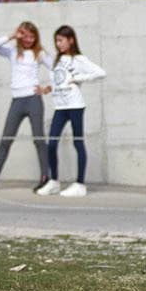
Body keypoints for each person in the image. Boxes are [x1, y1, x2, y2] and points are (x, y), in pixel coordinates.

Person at [0, 21, 53, 192]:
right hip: (17, 100)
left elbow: (57, 69)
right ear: (19, 35)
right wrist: (11, 36)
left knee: (39, 139)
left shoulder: (39, 53)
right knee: (6, 140)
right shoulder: (12, 51)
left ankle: (45, 177)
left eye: (32, 36)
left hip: (33, 99)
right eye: (25, 35)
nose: (28, 39)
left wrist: (47, 88)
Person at [45, 25, 106, 197]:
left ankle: (80, 184)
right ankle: (54, 181)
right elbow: (59, 81)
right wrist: (48, 89)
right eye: (56, 41)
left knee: (77, 143)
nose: (58, 44)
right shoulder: (57, 61)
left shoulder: (78, 59)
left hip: (75, 106)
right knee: (51, 144)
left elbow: (101, 73)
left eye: (61, 40)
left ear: (71, 40)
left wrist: (79, 78)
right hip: (60, 107)